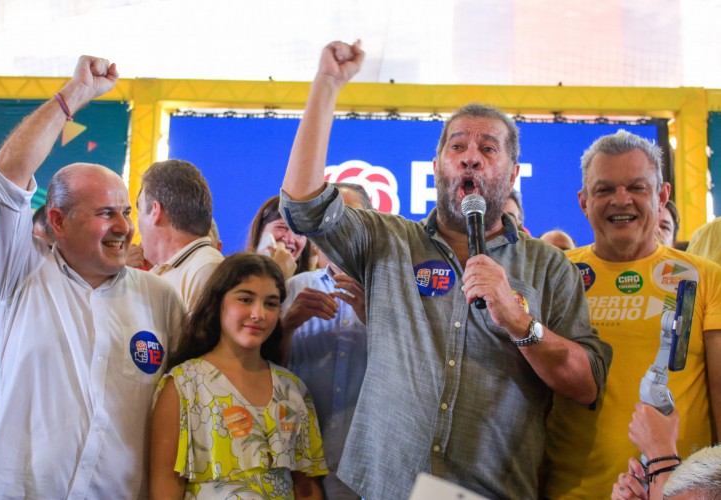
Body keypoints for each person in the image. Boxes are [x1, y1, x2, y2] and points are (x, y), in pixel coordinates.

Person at [279, 41, 611, 499]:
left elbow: (587, 383)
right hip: (383, 488)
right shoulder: (387, 242)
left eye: (487, 148)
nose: (470, 156)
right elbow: (304, 208)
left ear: (513, 174)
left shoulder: (548, 267)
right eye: (458, 146)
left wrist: (521, 322)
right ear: (438, 165)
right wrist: (327, 84)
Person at [0, 55, 184, 499]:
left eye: (126, 212)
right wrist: (76, 95)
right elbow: (6, 177)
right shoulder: (22, 275)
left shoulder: (161, 298)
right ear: (58, 220)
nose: (124, 226)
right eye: (105, 213)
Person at [543, 130, 721, 499]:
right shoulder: (553, 274)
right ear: (583, 201)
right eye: (604, 189)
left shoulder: (706, 278)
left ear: (662, 196)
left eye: (637, 188)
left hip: (674, 493)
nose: (620, 200)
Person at [150, 253, 328, 499]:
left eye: (271, 303)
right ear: (218, 302)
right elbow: (165, 485)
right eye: (245, 299)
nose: (259, 314)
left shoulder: (293, 389)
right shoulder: (183, 385)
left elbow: (307, 487)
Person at [281, 182, 371, 500]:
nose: (337, 232)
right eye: (327, 223)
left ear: (371, 228)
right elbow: (257, 374)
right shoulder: (291, 290)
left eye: (348, 220)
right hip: (297, 472)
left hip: (368, 475)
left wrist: (373, 319)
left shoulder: (391, 295)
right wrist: (287, 326)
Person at [137, 159, 224, 310]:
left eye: (139, 208)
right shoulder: (178, 268)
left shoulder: (205, 268)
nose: (135, 221)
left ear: (155, 212)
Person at [248, 195, 312, 280]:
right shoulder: (234, 275)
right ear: (260, 229)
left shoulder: (312, 286)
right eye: (281, 227)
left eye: (299, 232)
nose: (290, 239)